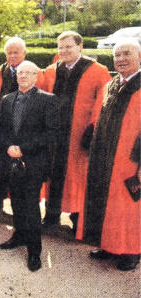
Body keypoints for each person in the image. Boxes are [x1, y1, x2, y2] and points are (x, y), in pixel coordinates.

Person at [79, 40, 140, 271]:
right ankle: (109, 245)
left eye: (127, 54)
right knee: (107, 203)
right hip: (105, 157)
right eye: (117, 55)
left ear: (139, 56)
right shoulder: (112, 84)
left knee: (129, 206)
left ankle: (132, 251)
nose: (121, 59)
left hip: (130, 161)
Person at [42, 31, 111, 229]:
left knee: (78, 176)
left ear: (80, 47)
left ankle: (77, 217)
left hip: (79, 134)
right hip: (55, 134)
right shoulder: (51, 71)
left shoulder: (98, 70)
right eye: (61, 47)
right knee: (53, 171)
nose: (64, 51)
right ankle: (51, 214)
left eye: (69, 46)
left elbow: (103, 102)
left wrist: (93, 128)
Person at [0, 61, 58, 271]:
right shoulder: (7, 100)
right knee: (16, 203)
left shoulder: (47, 101)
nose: (22, 76)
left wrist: (23, 148)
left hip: (33, 162)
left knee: (31, 206)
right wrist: (9, 148)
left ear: (36, 76)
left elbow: (50, 134)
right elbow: (2, 130)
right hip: (11, 160)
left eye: (27, 73)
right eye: (20, 73)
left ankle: (34, 251)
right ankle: (19, 236)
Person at [0, 37, 44, 214]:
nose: (12, 55)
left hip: (25, 130)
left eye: (16, 52)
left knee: (23, 167)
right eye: (9, 52)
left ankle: (23, 208)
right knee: (1, 165)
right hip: (3, 129)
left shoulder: (34, 73)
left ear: (24, 53)